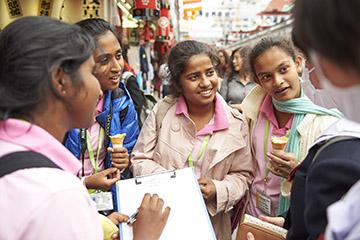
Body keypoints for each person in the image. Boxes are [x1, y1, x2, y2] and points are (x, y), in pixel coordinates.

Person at [0, 16, 168, 240]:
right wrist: (145, 236)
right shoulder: (59, 194)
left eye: (119, 56)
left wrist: (100, 223)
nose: (100, 92)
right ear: (61, 81)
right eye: (90, 72)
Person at [130, 40, 254, 240]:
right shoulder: (162, 112)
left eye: (210, 72)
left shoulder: (236, 123)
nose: (205, 82)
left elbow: (243, 175)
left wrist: (218, 189)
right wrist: (175, 182)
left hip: (212, 226)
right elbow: (139, 159)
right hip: (163, 222)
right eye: (194, 77)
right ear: (179, 83)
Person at [241, 37, 342, 219]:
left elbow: (334, 185)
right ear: (258, 81)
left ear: (298, 64)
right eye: (266, 76)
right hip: (253, 215)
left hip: (295, 219)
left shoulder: (325, 124)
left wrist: (299, 171)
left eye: (283, 69)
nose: (278, 81)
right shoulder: (252, 115)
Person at [64, 18, 139, 212]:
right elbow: (44, 176)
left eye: (119, 55)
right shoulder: (59, 106)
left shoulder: (122, 102)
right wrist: (86, 182)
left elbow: (134, 155)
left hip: (108, 206)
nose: (117, 67)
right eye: (104, 60)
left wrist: (126, 160)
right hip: (65, 205)